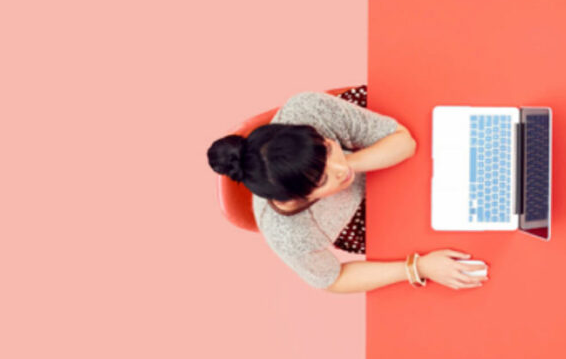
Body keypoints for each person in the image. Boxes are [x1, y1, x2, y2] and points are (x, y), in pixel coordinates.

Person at [208, 89, 490, 293]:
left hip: (376, 149)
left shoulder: (309, 111)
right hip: (364, 221)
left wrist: (352, 161)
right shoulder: (289, 235)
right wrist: (418, 268)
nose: (339, 170)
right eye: (322, 180)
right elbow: (333, 278)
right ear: (296, 200)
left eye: (328, 149)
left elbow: (404, 143)